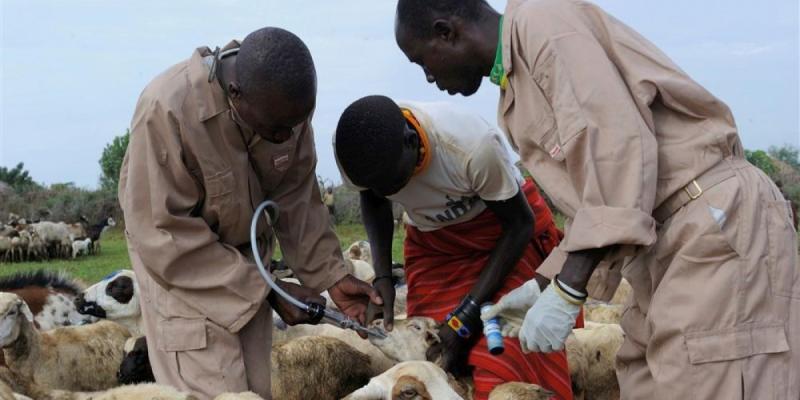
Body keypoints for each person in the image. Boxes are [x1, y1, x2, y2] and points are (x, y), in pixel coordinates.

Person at [393, 1, 799, 399]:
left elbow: (617, 149)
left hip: (707, 222)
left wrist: (569, 290)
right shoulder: (515, 93)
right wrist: (540, 287)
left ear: (446, 32)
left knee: (707, 379)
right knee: (641, 379)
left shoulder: (542, 23)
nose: (428, 77)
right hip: (658, 243)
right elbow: (595, 203)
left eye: (421, 61)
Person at [119, 27, 382, 399]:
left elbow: (296, 195)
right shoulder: (167, 110)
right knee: (214, 391)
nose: (286, 137)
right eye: (276, 130)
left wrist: (331, 275)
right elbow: (162, 234)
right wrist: (268, 292)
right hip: (179, 272)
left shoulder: (284, 110)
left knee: (253, 390)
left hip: (249, 263)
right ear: (235, 94)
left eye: (296, 126)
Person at [335, 96, 574, 400]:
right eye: (376, 184)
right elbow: (372, 198)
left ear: (411, 141)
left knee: (503, 354)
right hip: (436, 249)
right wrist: (382, 278)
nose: (386, 191)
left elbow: (520, 224)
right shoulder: (354, 149)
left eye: (392, 181)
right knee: (430, 362)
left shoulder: (470, 146)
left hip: (502, 241)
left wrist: (466, 316)